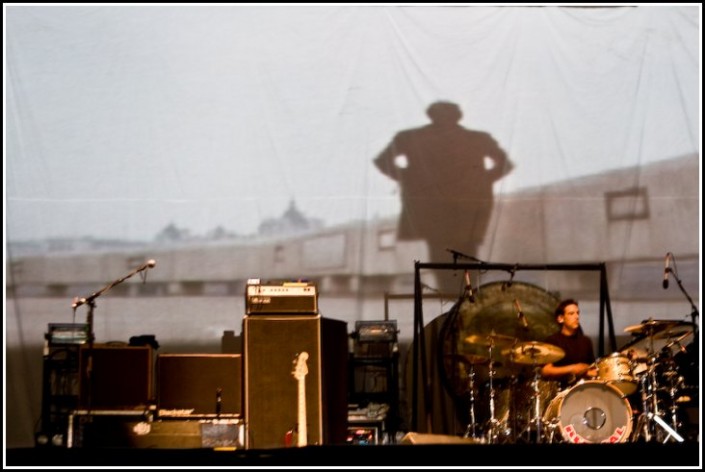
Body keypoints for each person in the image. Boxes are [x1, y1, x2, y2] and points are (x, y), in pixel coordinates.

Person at [373, 101, 513, 294]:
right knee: (465, 250)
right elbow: (506, 164)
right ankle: (463, 296)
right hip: (464, 205)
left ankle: (454, 295)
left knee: (443, 251)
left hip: (436, 206)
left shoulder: (411, 137)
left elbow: (383, 161)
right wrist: (482, 180)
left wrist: (408, 177)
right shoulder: (477, 139)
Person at [541, 298, 598, 390]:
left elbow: (591, 368)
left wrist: (589, 372)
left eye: (577, 313)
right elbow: (545, 371)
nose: (576, 317)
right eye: (571, 313)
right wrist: (572, 368)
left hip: (584, 389)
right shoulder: (553, 340)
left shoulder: (586, 341)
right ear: (560, 319)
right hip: (561, 391)